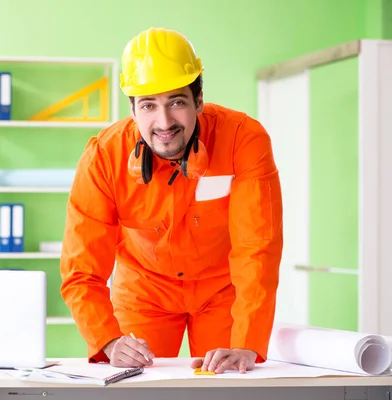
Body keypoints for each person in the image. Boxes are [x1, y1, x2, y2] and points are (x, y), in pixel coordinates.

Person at [59, 27, 283, 374]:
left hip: (222, 292)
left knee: (226, 383)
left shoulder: (244, 140)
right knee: (135, 386)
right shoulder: (104, 156)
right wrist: (107, 340)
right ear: (133, 110)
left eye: (177, 102)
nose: (164, 123)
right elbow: (81, 269)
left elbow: (258, 248)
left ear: (199, 100)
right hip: (143, 291)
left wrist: (246, 343)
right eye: (149, 105)